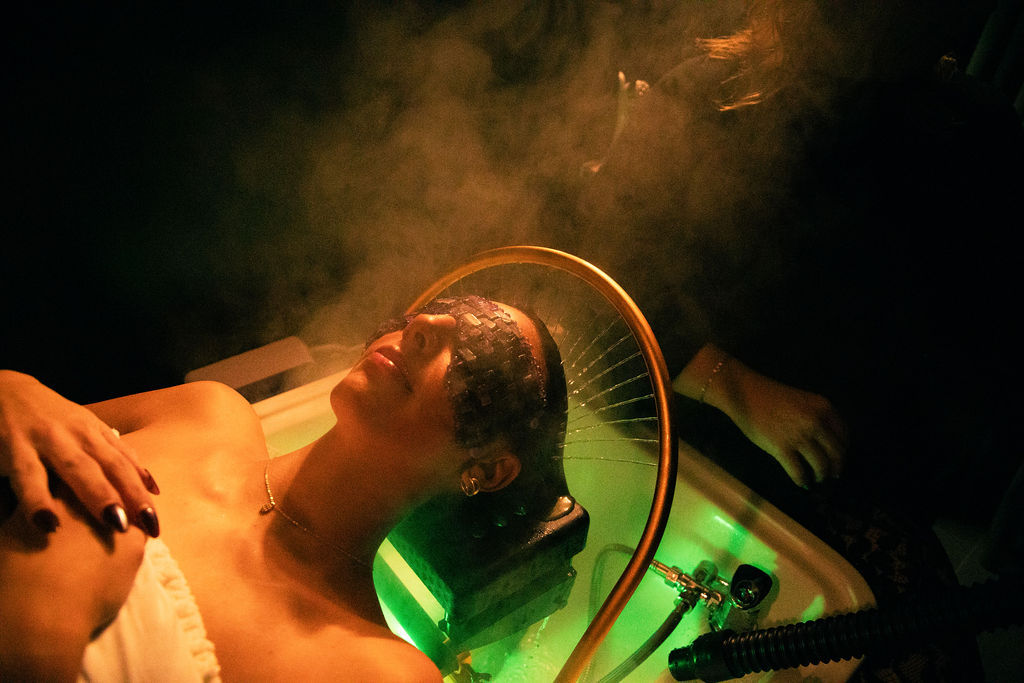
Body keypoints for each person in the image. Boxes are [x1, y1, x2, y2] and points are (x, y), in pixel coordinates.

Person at [0, 294, 568, 681]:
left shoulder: (379, 670)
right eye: (443, 312)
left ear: (488, 471)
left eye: (475, 358)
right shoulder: (208, 412)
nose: (422, 326)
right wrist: (12, 391)